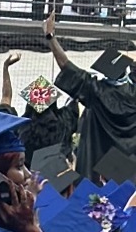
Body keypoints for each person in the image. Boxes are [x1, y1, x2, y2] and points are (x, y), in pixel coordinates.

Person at [45, 15, 136, 179]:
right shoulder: (133, 93)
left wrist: (50, 37)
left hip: (98, 164)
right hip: (129, 164)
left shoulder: (96, 93)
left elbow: (66, 65)